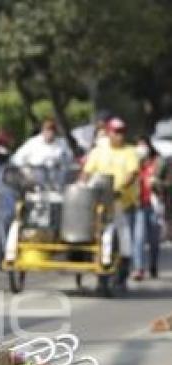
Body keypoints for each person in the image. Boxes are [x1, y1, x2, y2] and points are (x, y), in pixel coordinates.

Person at [80, 117, 139, 290]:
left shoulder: (130, 152)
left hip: (121, 201)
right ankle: (100, 272)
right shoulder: (99, 151)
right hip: (99, 201)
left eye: (122, 132)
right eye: (116, 132)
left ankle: (123, 271)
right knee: (94, 234)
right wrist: (81, 186)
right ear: (108, 133)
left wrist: (120, 188)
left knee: (124, 235)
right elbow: (87, 172)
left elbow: (132, 173)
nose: (119, 136)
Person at [132, 136, 165, 280]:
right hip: (139, 205)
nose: (141, 149)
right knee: (138, 238)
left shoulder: (158, 163)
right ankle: (139, 268)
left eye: (143, 145)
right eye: (138, 145)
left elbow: (167, 184)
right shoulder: (134, 164)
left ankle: (153, 265)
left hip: (154, 204)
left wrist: (157, 183)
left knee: (154, 239)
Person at [11, 119, 73, 186]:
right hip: (37, 175)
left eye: (52, 129)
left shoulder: (62, 143)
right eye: (47, 129)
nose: (50, 132)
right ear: (42, 131)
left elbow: (70, 157)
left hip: (58, 175)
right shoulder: (32, 143)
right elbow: (16, 158)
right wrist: (25, 169)